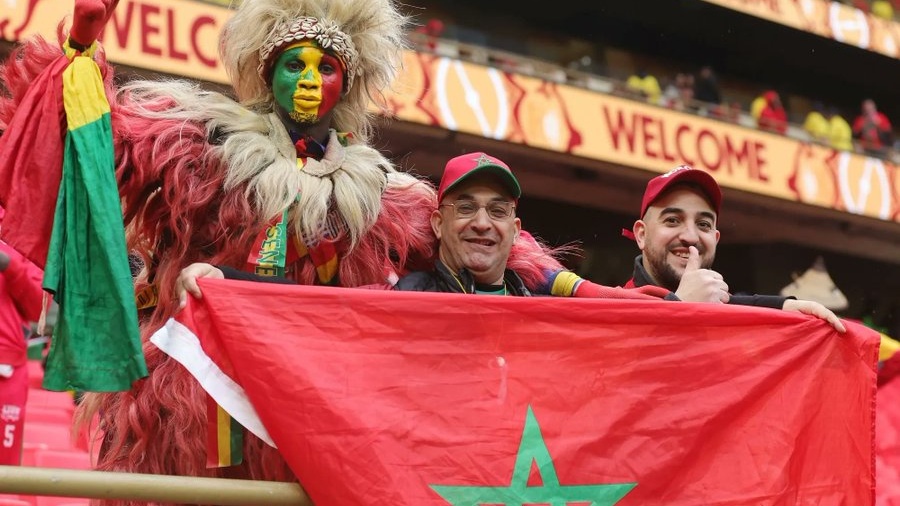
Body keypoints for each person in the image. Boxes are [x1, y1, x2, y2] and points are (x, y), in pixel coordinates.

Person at [624, 165, 845, 331]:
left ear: (716, 239)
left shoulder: (734, 319)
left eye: (703, 224)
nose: (691, 237)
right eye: (672, 220)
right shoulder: (611, 308)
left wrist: (786, 309)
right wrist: (680, 307)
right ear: (641, 235)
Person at [0, 240, 44, 466]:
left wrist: (10, 266)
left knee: (4, 467)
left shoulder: (20, 236)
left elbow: (40, 310)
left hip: (6, 372)